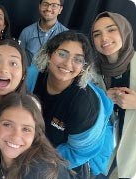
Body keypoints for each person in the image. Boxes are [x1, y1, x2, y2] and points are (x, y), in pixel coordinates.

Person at [30, 30, 114, 178]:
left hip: (72, 162)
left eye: (78, 59)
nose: (68, 63)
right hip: (34, 147)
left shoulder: (85, 105)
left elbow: (78, 152)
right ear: (49, 54)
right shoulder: (33, 76)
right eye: (62, 54)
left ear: (84, 66)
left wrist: (35, 157)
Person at [0, 92, 76, 179]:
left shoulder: (40, 171)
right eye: (8, 125)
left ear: (35, 134)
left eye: (26, 129)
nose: (16, 136)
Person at [91, 11, 136, 179]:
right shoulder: (92, 73)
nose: (104, 38)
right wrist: (101, 101)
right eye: (97, 34)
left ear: (124, 30)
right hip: (102, 158)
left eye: (111, 29)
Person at [19, 0, 68, 92]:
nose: (49, 8)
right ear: (39, 6)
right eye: (45, 4)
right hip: (27, 85)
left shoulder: (66, 36)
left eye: (54, 5)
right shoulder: (26, 32)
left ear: (60, 9)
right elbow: (19, 60)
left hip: (53, 85)